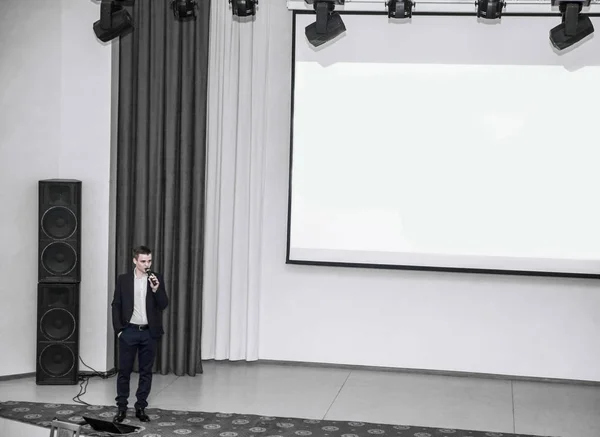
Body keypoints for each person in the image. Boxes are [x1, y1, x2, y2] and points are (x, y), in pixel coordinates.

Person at [111, 245, 169, 423]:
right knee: (124, 372)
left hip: (148, 333)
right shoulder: (124, 279)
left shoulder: (156, 278)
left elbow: (163, 304)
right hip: (129, 332)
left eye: (149, 261)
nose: (147, 264)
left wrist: (156, 289)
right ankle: (121, 407)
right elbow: (116, 305)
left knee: (146, 372)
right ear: (135, 261)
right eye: (143, 261)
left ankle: (141, 407)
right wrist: (119, 330)